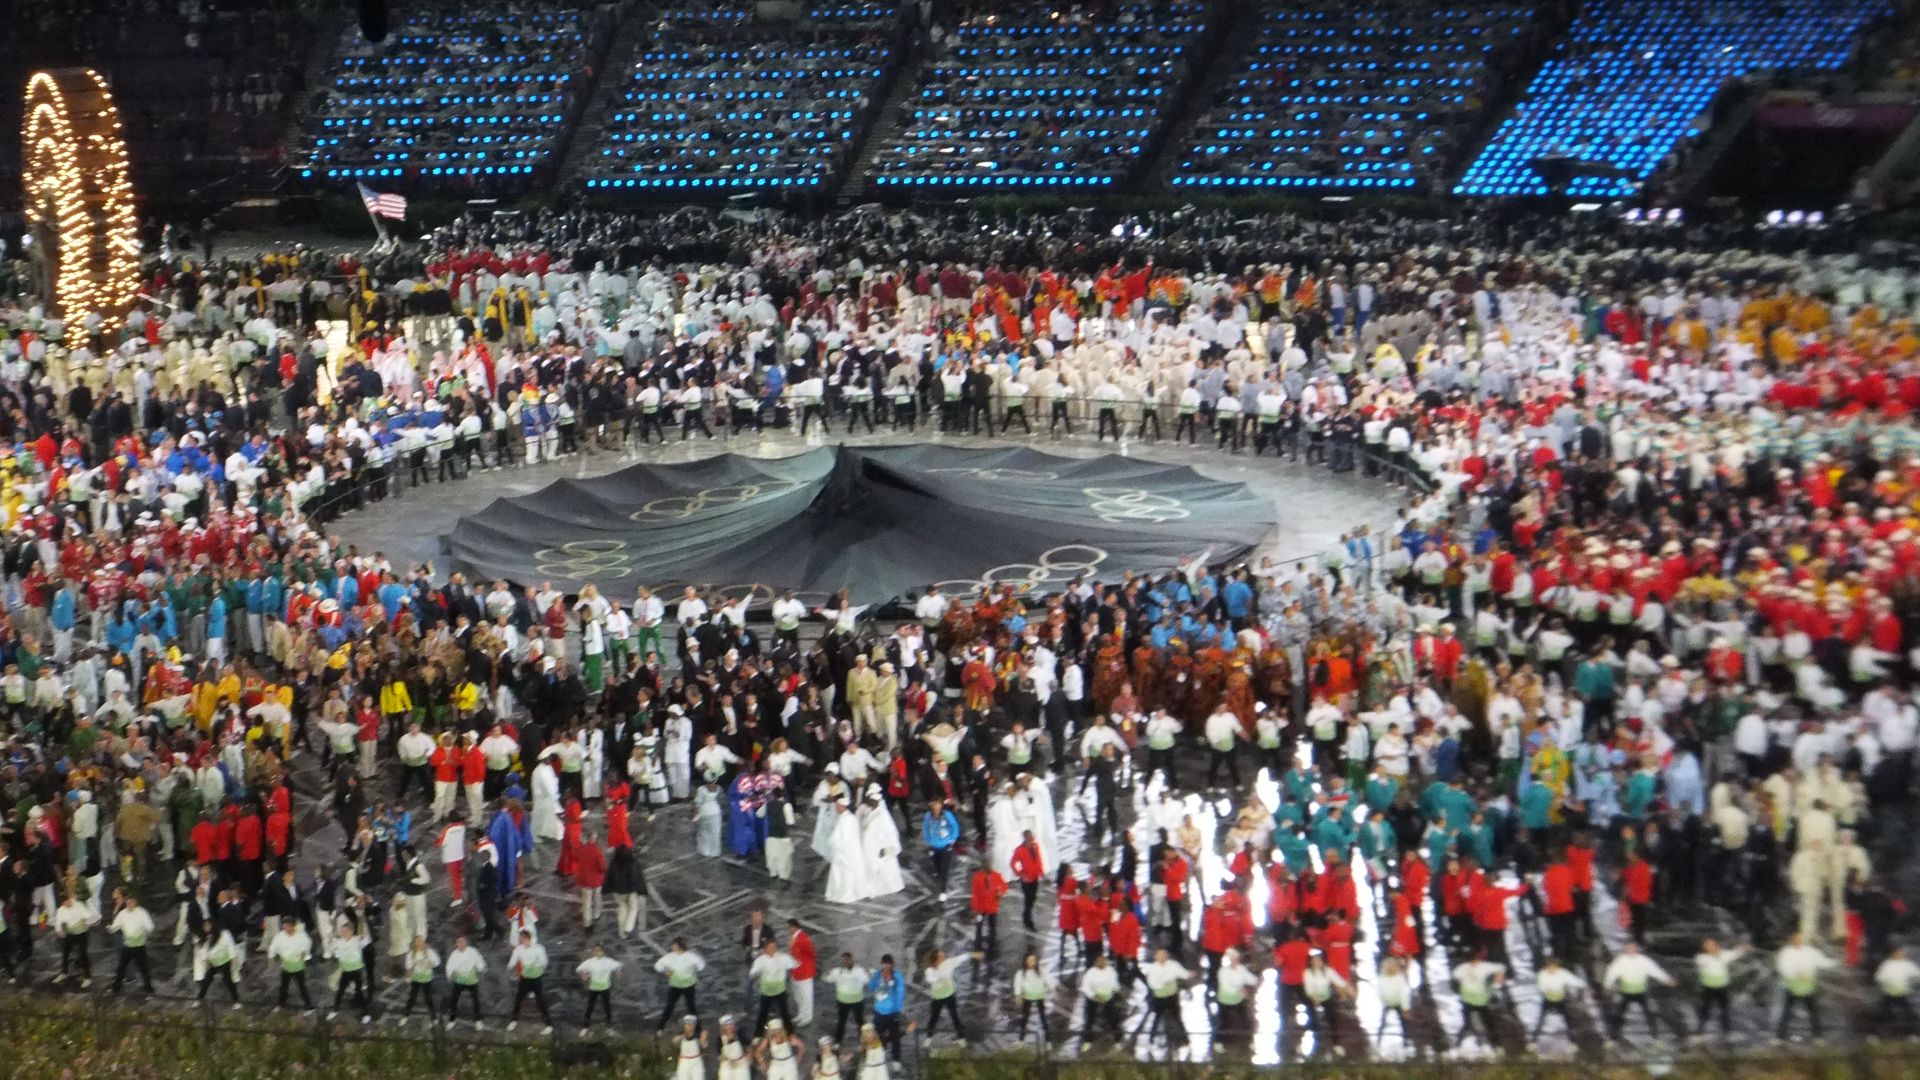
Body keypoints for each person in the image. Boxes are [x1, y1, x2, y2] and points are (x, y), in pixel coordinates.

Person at [1602, 940, 1673, 1039]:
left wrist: (1667, 979)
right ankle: (1613, 1036)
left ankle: (1656, 1037)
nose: (1631, 950)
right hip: (1626, 993)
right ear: (1626, 949)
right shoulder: (1620, 961)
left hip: (1641, 993)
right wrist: (1607, 985)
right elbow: (1611, 973)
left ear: (1636, 949)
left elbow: (1655, 970)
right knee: (1619, 1013)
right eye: (1629, 948)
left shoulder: (1644, 960)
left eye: (1633, 948)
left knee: (1649, 1014)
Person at [1776, 933, 1835, 1040]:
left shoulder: (1810, 952)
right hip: (1792, 988)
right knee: (1787, 1012)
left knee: (1813, 1013)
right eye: (1796, 940)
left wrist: (1835, 963)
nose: (1798, 941)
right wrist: (1797, 974)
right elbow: (1782, 968)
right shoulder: (1786, 953)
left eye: (1800, 939)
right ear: (1792, 941)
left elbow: (1822, 962)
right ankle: (1780, 1035)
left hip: (1808, 988)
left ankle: (1818, 1035)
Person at [107, 892, 156, 994]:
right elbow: (116, 926)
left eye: (131, 902)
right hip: (128, 945)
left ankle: (149, 988)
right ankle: (116, 987)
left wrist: (147, 933)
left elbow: (149, 926)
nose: (129, 905)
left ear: (135, 903)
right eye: (128, 903)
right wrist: (110, 928)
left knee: (144, 968)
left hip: (139, 945)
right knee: (121, 967)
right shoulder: (122, 914)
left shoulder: (141, 912)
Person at [507, 928, 554, 1034]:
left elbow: (544, 961)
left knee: (540, 1000)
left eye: (525, 938)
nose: (523, 940)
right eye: (522, 938)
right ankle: (514, 1020)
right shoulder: (519, 949)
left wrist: (539, 968)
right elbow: (513, 961)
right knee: (519, 999)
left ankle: (549, 1024)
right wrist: (510, 967)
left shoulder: (538, 948)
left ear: (529, 938)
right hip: (525, 978)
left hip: (536, 979)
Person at [656, 938, 707, 1029]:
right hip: (675, 985)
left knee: (691, 1007)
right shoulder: (669, 957)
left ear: (679, 946)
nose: (672, 947)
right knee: (670, 1006)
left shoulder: (691, 956)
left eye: (674, 945)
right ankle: (660, 1027)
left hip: (688, 985)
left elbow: (701, 965)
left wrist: (693, 970)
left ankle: (698, 1029)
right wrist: (666, 971)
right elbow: (658, 966)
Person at [921, 947, 969, 1044]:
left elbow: (958, 959)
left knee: (955, 1017)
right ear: (935, 960)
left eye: (943, 955)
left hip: (949, 995)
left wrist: (970, 954)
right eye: (941, 956)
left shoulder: (948, 964)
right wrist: (941, 978)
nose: (944, 957)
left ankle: (961, 1039)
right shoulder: (930, 970)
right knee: (934, 1018)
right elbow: (930, 979)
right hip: (937, 998)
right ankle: (928, 1038)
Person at [752, 939, 799, 1034]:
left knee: (784, 1012)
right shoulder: (760, 960)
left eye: (774, 947)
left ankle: (790, 1032)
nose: (773, 949)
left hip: (780, 990)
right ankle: (758, 1033)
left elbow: (795, 965)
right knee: (763, 1013)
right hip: (766, 991)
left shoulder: (784, 957)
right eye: (770, 947)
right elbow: (753, 972)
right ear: (765, 949)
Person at [268, 917, 316, 1009]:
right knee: (284, 986)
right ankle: (282, 1002)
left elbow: (307, 945)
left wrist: (305, 955)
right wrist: (271, 959)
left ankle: (308, 1003)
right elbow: (273, 947)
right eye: (284, 926)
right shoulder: (279, 937)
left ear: (293, 926)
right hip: (286, 966)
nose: (286, 929)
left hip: (298, 966)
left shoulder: (301, 936)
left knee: (301, 985)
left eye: (288, 926)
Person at [866, 955, 907, 1060]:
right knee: (878, 1036)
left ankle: (896, 1061)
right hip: (879, 1012)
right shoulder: (877, 974)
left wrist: (898, 1009)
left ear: (892, 964)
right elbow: (871, 987)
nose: (887, 966)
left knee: (895, 1038)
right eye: (884, 964)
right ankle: (880, 1056)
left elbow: (900, 992)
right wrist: (875, 978)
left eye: (889, 964)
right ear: (882, 964)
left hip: (892, 1012)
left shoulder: (897, 976)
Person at [577, 943, 622, 1033]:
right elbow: (579, 968)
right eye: (596, 951)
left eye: (600, 951)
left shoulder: (608, 961)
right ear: (594, 952)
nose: (599, 953)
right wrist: (583, 974)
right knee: (590, 1007)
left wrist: (618, 972)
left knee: (607, 1007)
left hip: (605, 988)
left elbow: (618, 965)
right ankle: (585, 1027)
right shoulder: (590, 962)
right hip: (593, 988)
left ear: (603, 952)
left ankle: (609, 1027)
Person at [1078, 952, 1122, 1044]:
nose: (1102, 962)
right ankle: (1087, 1040)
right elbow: (1085, 986)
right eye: (1099, 961)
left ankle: (1118, 1038)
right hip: (1094, 998)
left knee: (1113, 1018)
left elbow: (1115, 984)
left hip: (1107, 997)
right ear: (1095, 962)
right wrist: (1094, 996)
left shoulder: (1111, 971)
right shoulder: (1090, 973)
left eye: (1103, 960)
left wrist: (1115, 991)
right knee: (1090, 1019)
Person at [826, 952, 870, 1043]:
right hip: (847, 1001)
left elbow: (866, 980)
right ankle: (839, 1041)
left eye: (847, 960)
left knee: (858, 1021)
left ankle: (865, 1040)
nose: (845, 962)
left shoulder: (858, 971)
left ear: (852, 960)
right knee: (844, 1022)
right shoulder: (838, 971)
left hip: (853, 1001)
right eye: (844, 960)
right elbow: (828, 979)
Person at [1012, 951, 1056, 1042]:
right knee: (1025, 1017)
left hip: (1039, 996)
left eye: (1033, 960)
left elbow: (1049, 980)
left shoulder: (1041, 971)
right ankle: (1021, 1039)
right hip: (1027, 997)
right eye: (1029, 960)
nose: (1032, 962)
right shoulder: (1021, 973)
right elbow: (1017, 984)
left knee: (1043, 1017)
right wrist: (1018, 995)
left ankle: (1048, 1040)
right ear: (1025, 961)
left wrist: (1053, 990)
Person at [923, 798, 961, 901]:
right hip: (934, 846)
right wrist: (927, 840)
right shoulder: (928, 816)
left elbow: (955, 826)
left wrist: (952, 839)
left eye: (938, 804)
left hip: (946, 846)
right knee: (938, 867)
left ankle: (943, 890)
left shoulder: (947, 815)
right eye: (934, 804)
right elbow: (925, 828)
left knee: (944, 868)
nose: (936, 806)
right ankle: (941, 881)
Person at [445, 935, 487, 1029]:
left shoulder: (473, 951)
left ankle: (478, 1020)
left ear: (466, 943)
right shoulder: (454, 954)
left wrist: (482, 968)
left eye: (463, 942)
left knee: (476, 1000)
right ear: (456, 944)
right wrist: (449, 975)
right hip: (459, 980)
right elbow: (449, 966)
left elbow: (479, 961)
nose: (461, 944)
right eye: (459, 942)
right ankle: (452, 1019)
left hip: (471, 980)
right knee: (454, 1000)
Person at [401, 935, 441, 1025]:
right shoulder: (411, 953)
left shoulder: (429, 951)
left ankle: (433, 1017)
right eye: (417, 941)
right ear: (414, 943)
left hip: (427, 979)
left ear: (423, 942)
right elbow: (408, 966)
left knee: (428, 999)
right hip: (416, 979)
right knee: (412, 998)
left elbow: (437, 962)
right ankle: (405, 1016)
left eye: (420, 941)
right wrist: (407, 976)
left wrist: (429, 964)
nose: (419, 943)